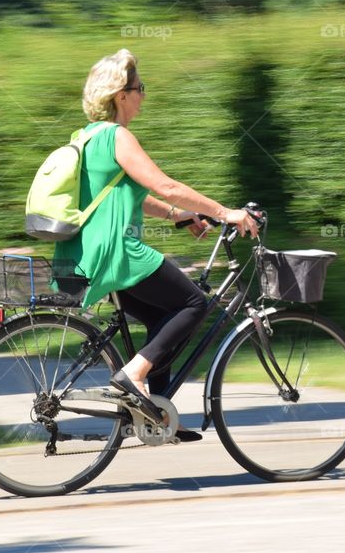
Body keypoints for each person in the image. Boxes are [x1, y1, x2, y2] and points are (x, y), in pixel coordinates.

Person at [54, 48, 258, 441]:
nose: (144, 95)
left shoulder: (86, 137)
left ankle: (156, 413)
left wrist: (175, 215)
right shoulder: (117, 135)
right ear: (121, 95)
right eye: (140, 88)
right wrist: (225, 212)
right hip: (116, 252)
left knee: (162, 317)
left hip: (82, 255)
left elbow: (127, 193)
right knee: (195, 303)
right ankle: (133, 375)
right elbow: (164, 184)